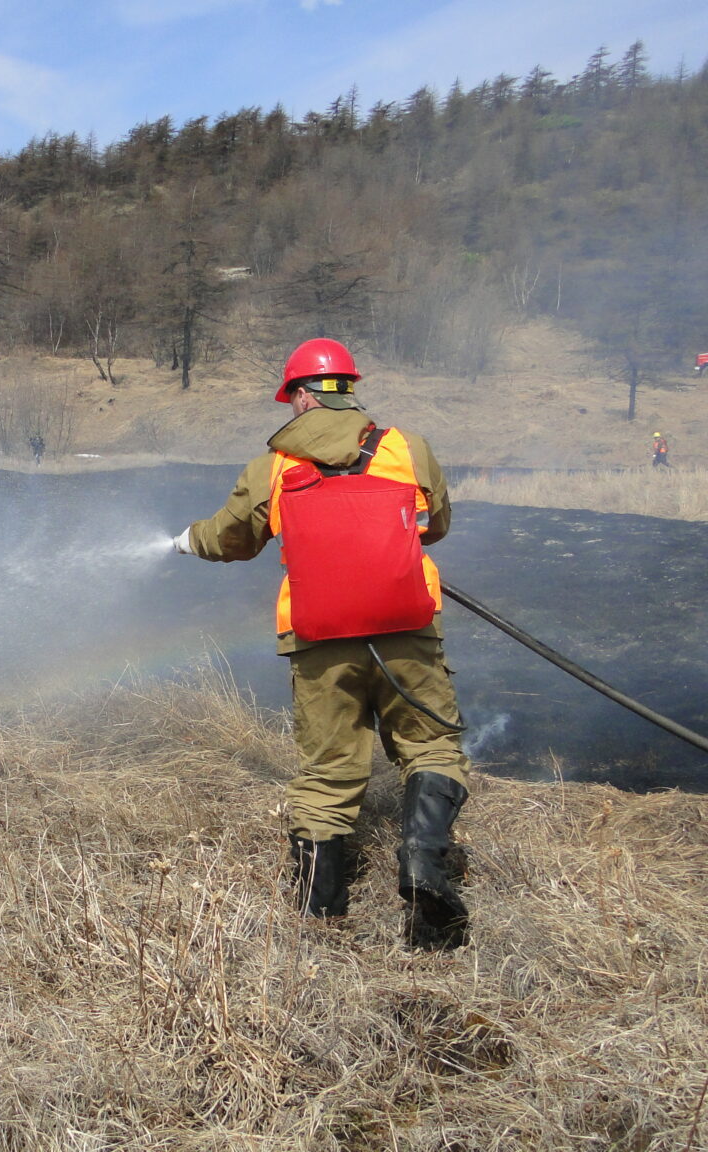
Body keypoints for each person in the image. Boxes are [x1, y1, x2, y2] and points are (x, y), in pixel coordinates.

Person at [171, 337, 473, 949]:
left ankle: (318, 919)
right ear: (349, 390)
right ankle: (422, 862)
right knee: (431, 745)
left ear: (302, 395)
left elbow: (231, 538)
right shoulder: (405, 447)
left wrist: (185, 541)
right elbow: (434, 524)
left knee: (328, 771)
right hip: (407, 629)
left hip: (319, 638)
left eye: (291, 398)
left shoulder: (275, 466)